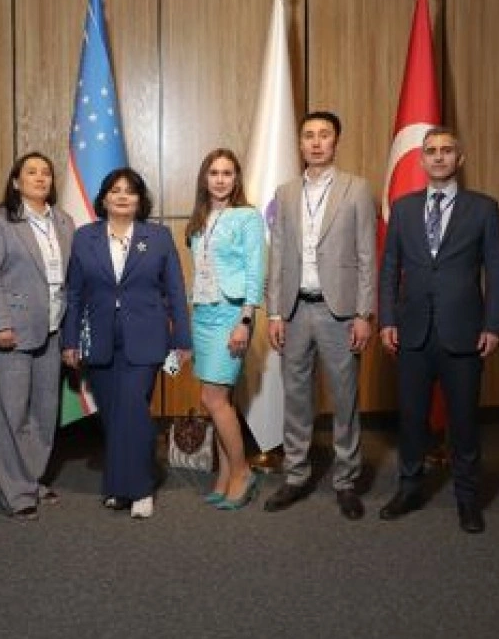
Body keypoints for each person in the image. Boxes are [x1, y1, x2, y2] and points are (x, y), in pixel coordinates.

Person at [378, 126, 499, 534]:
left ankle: (468, 499)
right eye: (431, 151)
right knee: (412, 418)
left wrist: (493, 325)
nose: (438, 157)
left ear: (459, 159)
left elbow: (498, 271)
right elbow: (389, 269)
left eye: (446, 150)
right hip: (412, 332)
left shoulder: (483, 208)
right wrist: (387, 319)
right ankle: (409, 487)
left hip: (464, 332)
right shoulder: (402, 208)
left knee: (464, 421)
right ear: (421, 159)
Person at [263, 111, 376, 520]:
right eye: (308, 135)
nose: (315, 142)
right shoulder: (285, 192)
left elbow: (367, 254)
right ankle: (295, 475)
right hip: (294, 310)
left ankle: (345, 480)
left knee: (344, 398)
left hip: (340, 311)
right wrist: (274, 312)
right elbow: (278, 255)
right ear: (300, 143)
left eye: (324, 135)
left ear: (335, 141)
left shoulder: (357, 188)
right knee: (296, 396)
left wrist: (364, 313)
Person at [61, 168, 191, 520]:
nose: (122, 196)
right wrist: (70, 340)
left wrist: (182, 338)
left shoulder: (158, 237)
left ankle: (140, 488)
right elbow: (74, 294)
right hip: (98, 338)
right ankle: (119, 486)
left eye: (129, 191)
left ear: (139, 200)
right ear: (104, 198)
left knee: (133, 408)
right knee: (114, 415)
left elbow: (175, 290)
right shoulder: (85, 237)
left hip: (146, 337)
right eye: (115, 190)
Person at [0, 152, 75, 522]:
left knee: (44, 414)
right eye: (31, 172)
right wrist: (0, 324)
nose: (40, 177)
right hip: (12, 334)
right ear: (16, 182)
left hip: (52, 330)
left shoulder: (63, 222)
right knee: (12, 416)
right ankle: (15, 493)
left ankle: (31, 479)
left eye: (46, 172)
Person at [184, 149, 266, 509]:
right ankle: (225, 476)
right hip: (202, 313)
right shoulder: (199, 219)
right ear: (205, 178)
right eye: (214, 173)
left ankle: (243, 472)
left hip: (232, 315)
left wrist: (245, 321)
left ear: (236, 179)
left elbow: (255, 272)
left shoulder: (247, 217)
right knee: (221, 400)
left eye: (227, 173)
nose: (220, 179)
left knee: (212, 399)